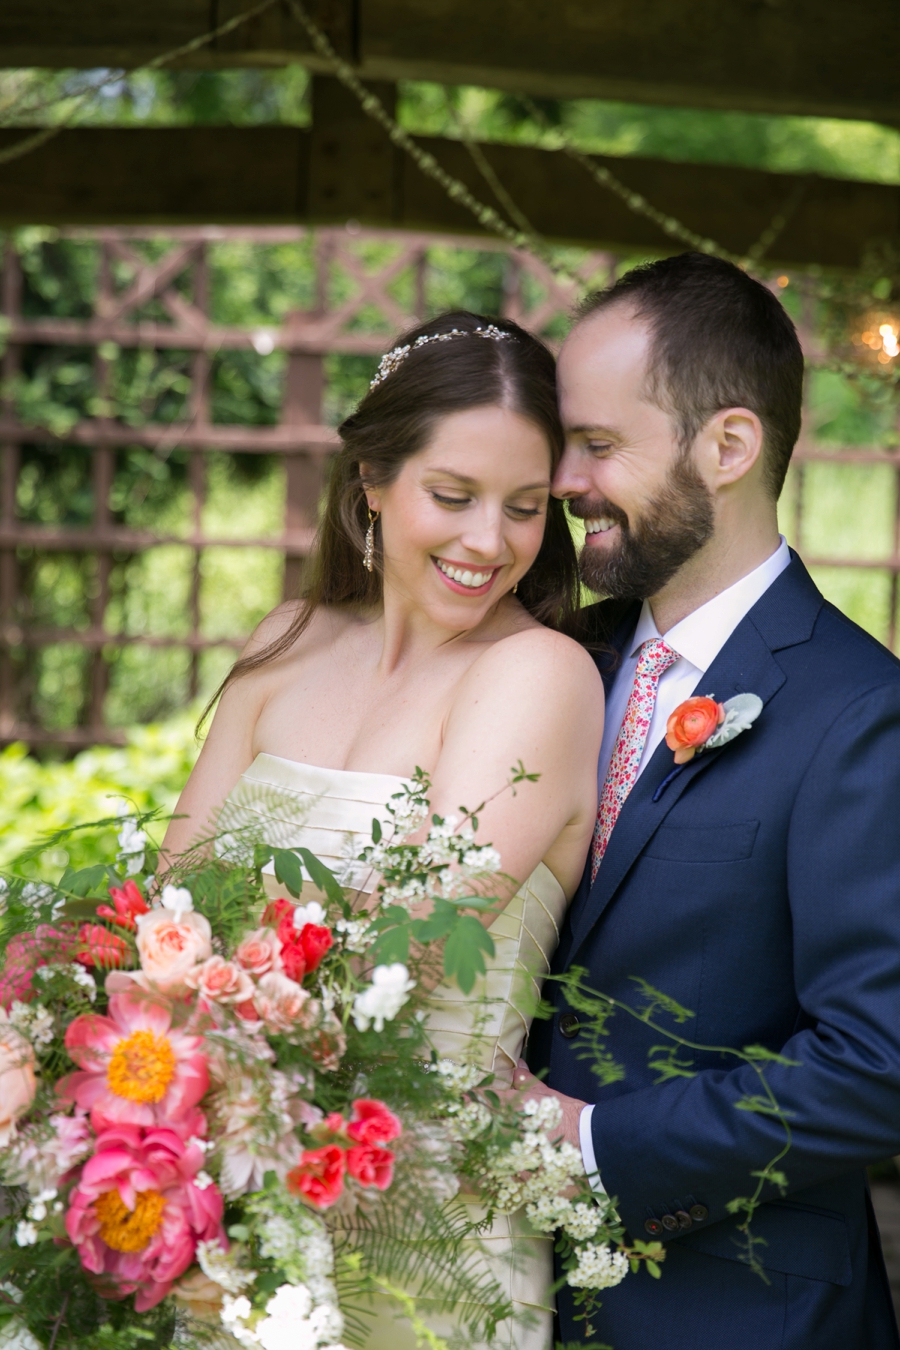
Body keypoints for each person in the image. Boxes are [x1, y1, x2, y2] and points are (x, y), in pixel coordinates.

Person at [163, 311, 605, 1350]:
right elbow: (167, 909)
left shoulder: (537, 675)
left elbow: (412, 950)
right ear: (370, 479)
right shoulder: (286, 641)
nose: (488, 541)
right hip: (231, 1205)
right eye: (451, 496)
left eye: (526, 507)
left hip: (422, 1232)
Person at [522, 252, 900, 1349]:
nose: (563, 480)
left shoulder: (860, 711)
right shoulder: (553, 666)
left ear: (727, 447)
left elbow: (879, 1065)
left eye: (597, 444)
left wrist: (596, 1147)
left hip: (738, 1312)